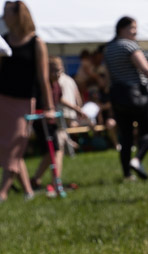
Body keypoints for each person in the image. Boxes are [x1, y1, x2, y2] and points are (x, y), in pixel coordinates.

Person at [104, 16, 148, 181]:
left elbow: (108, 77)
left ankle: (127, 174)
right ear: (122, 29)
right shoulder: (129, 46)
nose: (135, 31)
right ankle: (137, 159)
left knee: (125, 136)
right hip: (137, 95)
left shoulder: (109, 48)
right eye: (132, 28)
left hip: (118, 97)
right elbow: (146, 70)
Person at [0, 0, 53, 202]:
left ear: (19, 14)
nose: (4, 16)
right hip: (2, 99)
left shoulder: (36, 43)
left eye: (7, 12)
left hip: (22, 102)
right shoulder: (4, 41)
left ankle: (3, 192)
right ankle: (28, 192)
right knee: (8, 147)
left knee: (14, 145)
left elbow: (43, 78)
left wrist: (48, 108)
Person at [31, 57, 87, 195]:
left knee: (54, 150)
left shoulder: (57, 85)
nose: (57, 74)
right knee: (55, 150)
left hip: (52, 121)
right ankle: (54, 181)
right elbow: (33, 102)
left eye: (59, 71)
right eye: (54, 71)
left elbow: (59, 98)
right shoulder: (41, 85)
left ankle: (39, 179)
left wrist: (76, 108)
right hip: (41, 121)